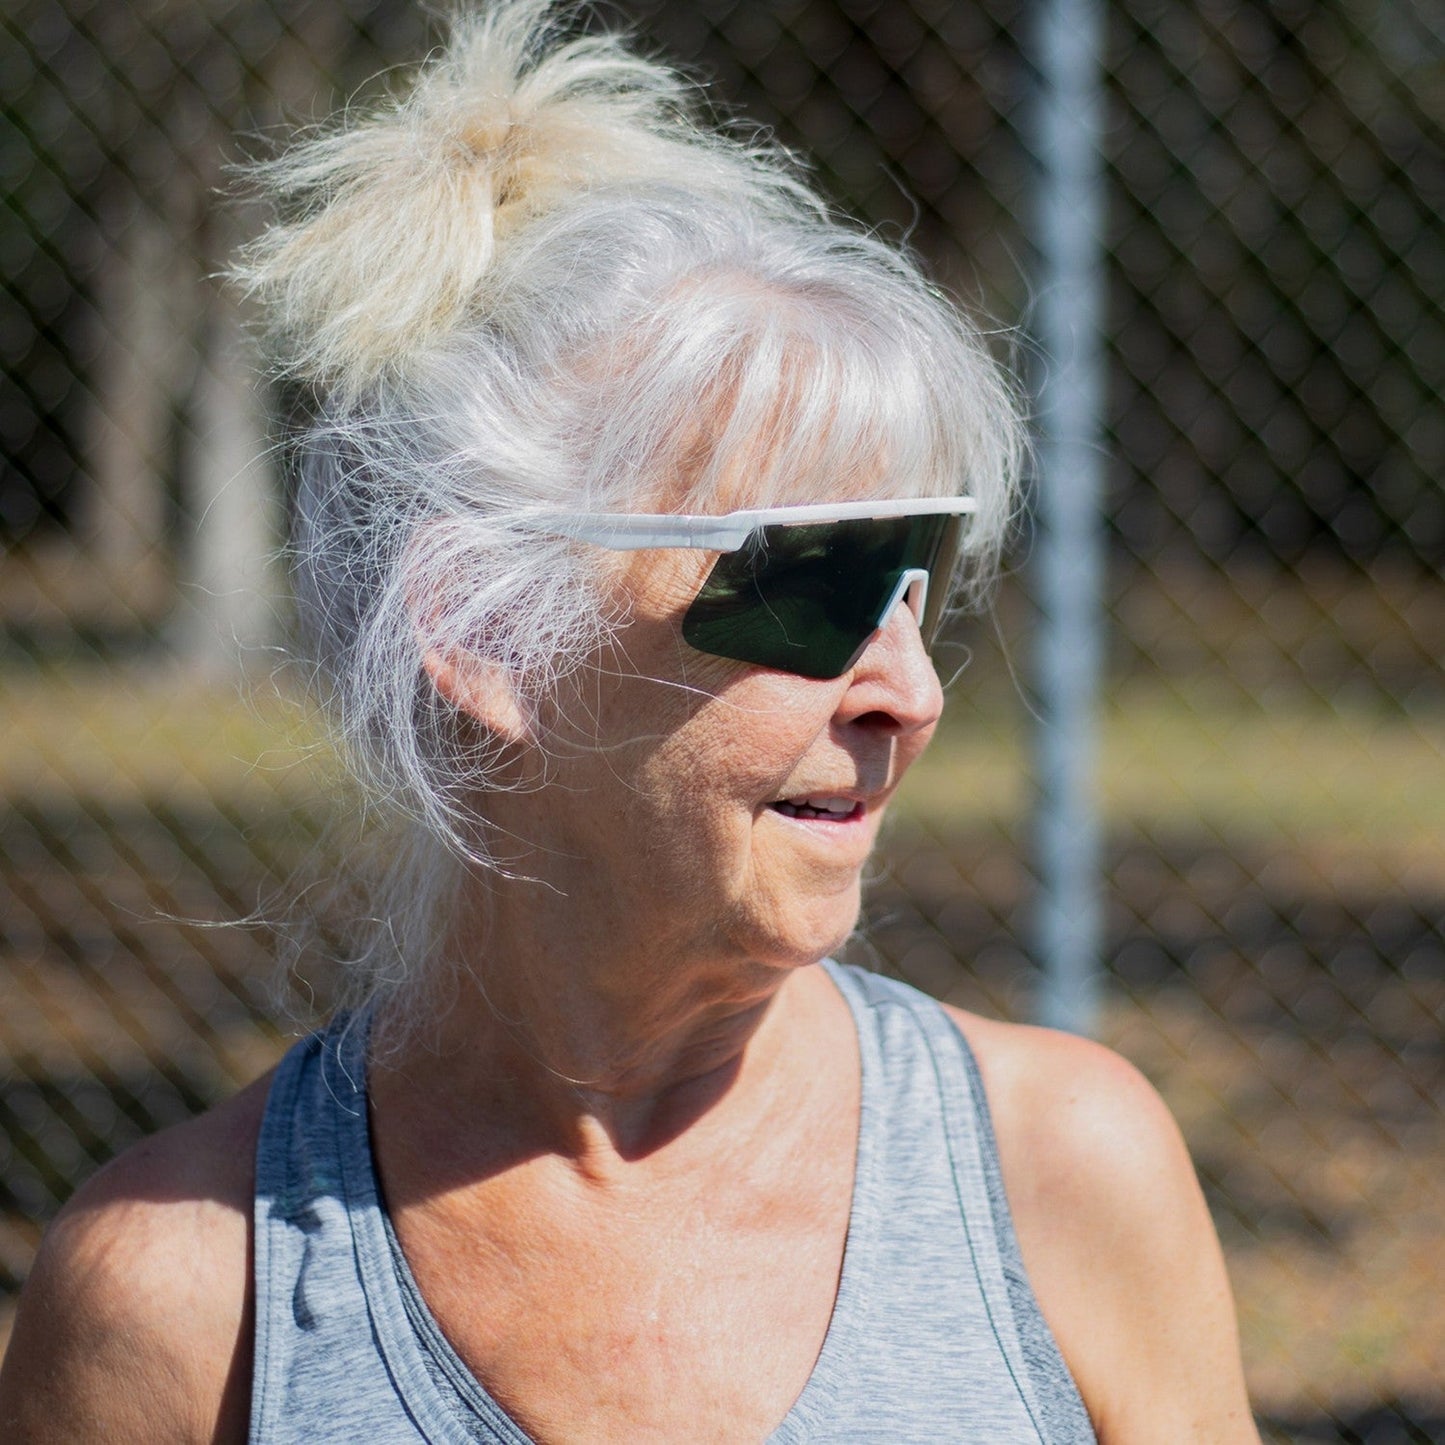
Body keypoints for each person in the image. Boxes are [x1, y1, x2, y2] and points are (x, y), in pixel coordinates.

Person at [0, 3, 1256, 1440]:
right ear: (482, 636)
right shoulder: (176, 1298)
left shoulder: (1065, 1174)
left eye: (918, 573)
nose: (910, 690)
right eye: (811, 576)